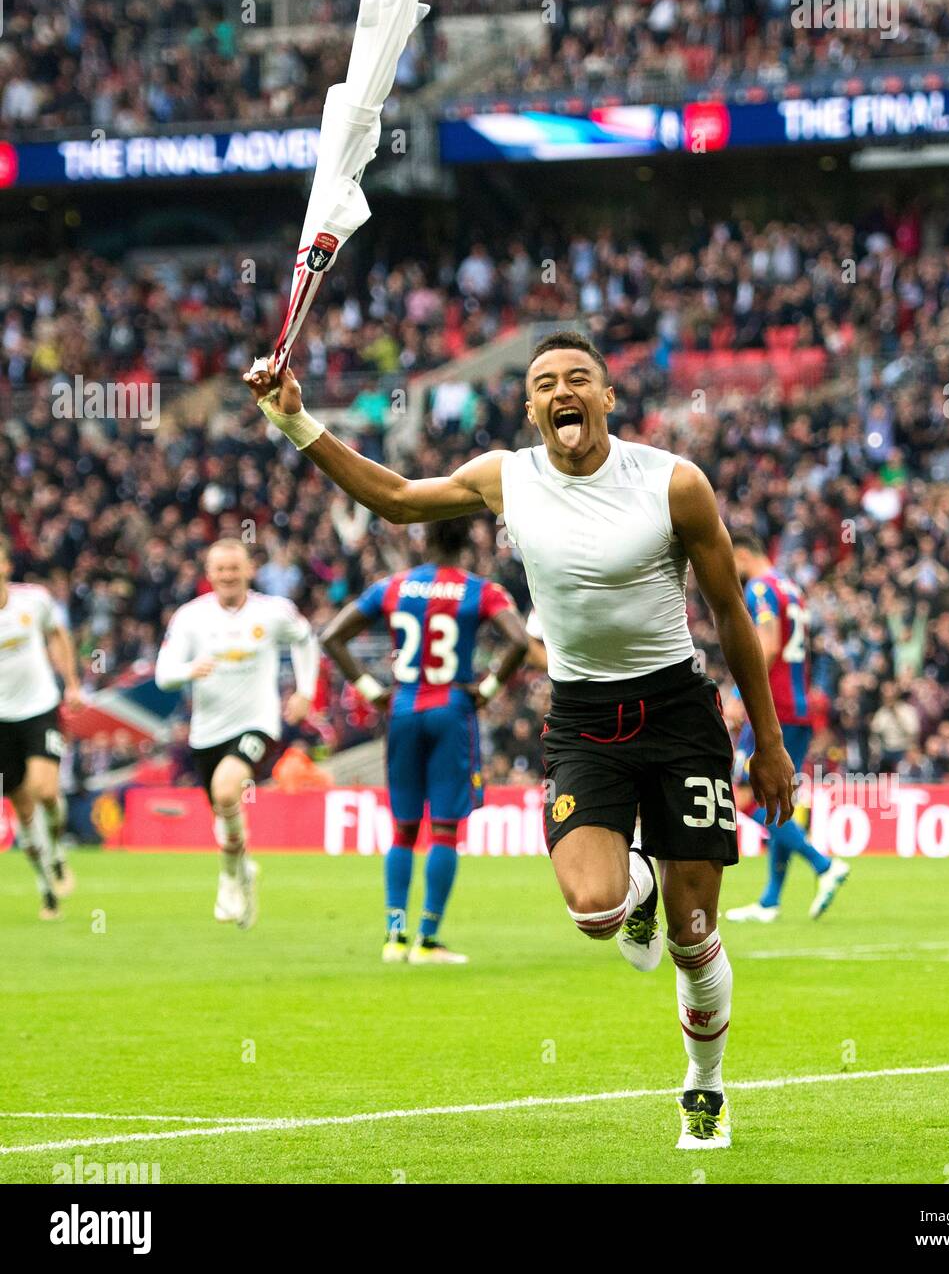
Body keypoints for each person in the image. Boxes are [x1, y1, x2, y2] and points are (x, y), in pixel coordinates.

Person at [244, 329, 795, 1149]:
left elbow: (730, 616)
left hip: (679, 716)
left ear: (608, 398)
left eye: (580, 378)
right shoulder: (508, 477)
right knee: (598, 910)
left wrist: (771, 743)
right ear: (531, 405)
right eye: (545, 382)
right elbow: (395, 498)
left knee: (693, 935)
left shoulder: (673, 484)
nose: (561, 390)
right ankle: (632, 893)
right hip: (582, 720)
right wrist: (296, 422)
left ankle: (704, 1086)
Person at [321, 516, 529, 964]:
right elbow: (518, 641)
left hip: (403, 709)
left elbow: (332, 636)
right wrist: (488, 689)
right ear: (468, 545)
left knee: (403, 829)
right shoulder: (482, 591)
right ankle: (427, 941)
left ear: (425, 541)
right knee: (445, 831)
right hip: (451, 711)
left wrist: (372, 689)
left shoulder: (393, 587)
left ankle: (393, 937)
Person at [154, 538, 319, 929]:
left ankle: (229, 879)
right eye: (220, 569)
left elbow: (306, 638)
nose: (228, 575)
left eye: (235, 568)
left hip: (257, 724)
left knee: (228, 790)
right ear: (209, 574)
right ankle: (243, 869)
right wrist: (188, 670)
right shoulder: (190, 618)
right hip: (206, 734)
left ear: (249, 570)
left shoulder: (273, 612)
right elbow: (163, 675)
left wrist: (306, 691)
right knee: (226, 813)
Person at [722, 531, 850, 924]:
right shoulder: (791, 587)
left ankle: (823, 864)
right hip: (796, 708)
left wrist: (739, 694)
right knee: (775, 799)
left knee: (741, 796)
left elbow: (768, 645)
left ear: (742, 555)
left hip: (771, 709)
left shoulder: (760, 588)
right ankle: (770, 901)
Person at [0, 537, 81, 920]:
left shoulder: (33, 600)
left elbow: (58, 633)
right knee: (22, 806)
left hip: (39, 709)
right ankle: (46, 885)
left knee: (46, 789)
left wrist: (73, 683)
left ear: (6, 565)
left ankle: (59, 852)